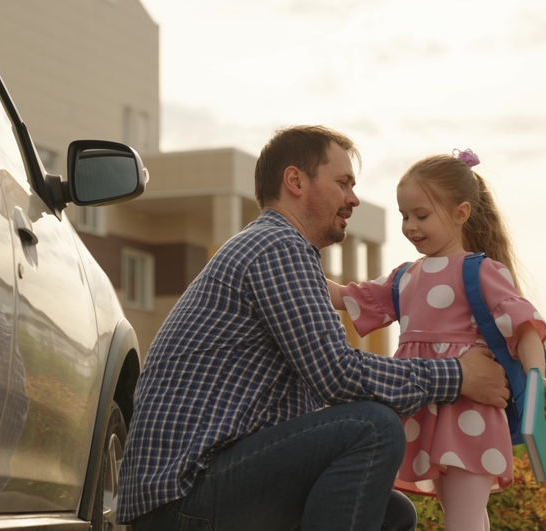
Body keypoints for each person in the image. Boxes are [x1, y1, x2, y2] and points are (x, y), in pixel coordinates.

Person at [116, 126, 511, 531]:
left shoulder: (273, 247)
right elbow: (337, 376)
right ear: (296, 181)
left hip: (197, 487)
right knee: (371, 428)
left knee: (393, 516)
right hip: (181, 496)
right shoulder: (276, 247)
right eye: (343, 183)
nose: (354, 199)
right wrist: (457, 375)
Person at [327, 149, 546, 531]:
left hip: (472, 411)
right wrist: (294, 264)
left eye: (421, 215)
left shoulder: (480, 270)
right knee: (462, 514)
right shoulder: (405, 277)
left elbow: (525, 324)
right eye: (404, 215)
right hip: (429, 411)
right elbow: (347, 296)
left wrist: (537, 377)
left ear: (461, 213)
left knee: (464, 515)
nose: (410, 226)